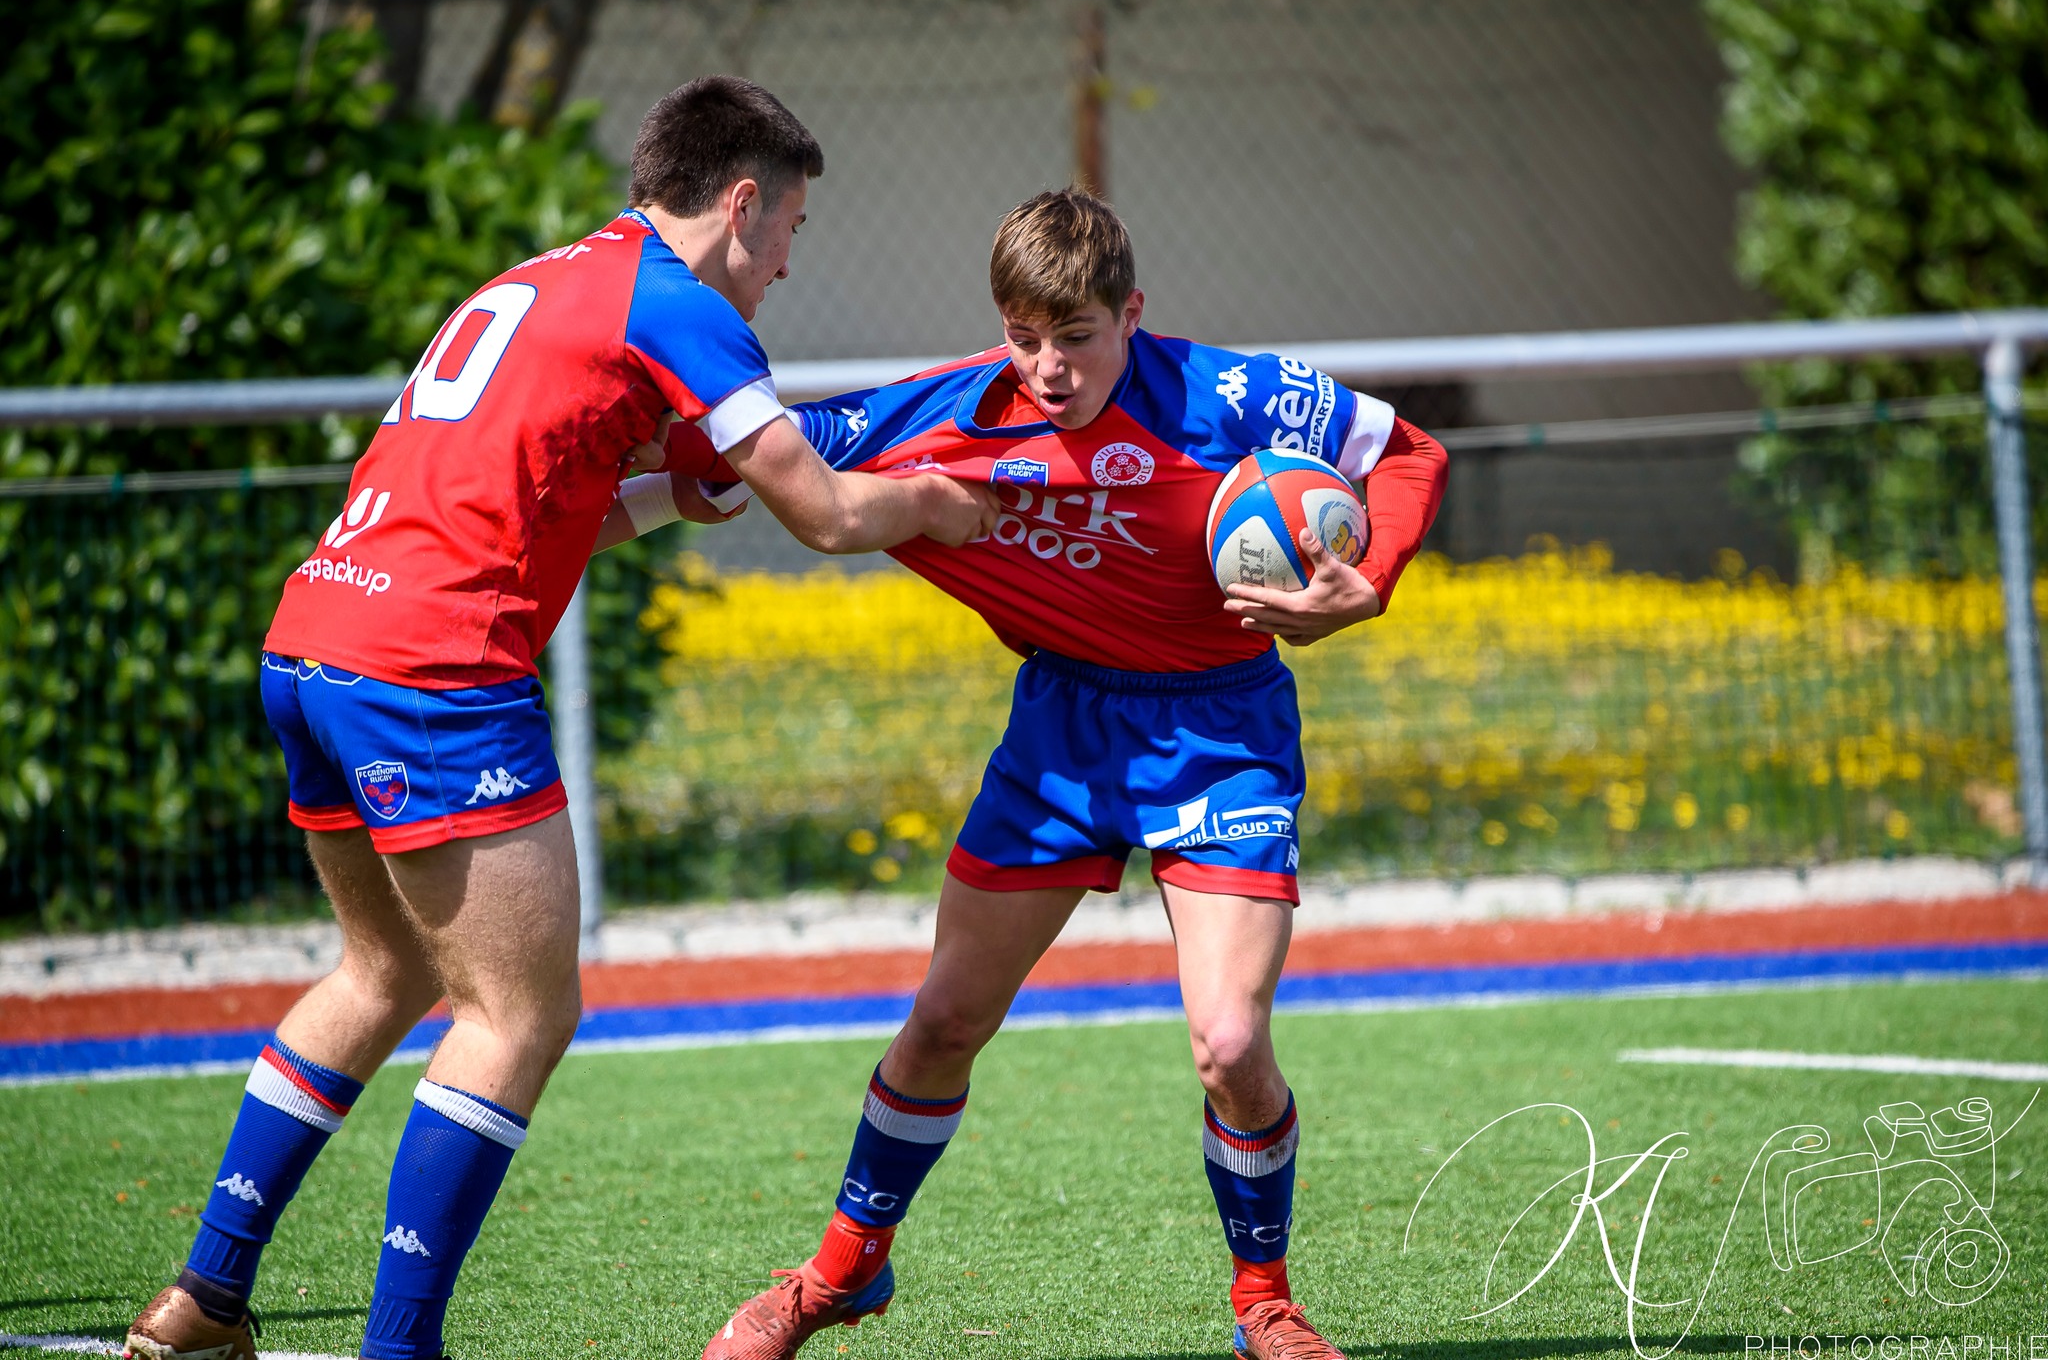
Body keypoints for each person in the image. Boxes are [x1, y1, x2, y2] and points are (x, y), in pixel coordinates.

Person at [122, 77, 996, 1360]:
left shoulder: (541, 278)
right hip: (432, 673)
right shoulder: (683, 305)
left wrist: (667, 499)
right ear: (739, 203)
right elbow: (821, 513)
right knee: (518, 1015)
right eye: (793, 228)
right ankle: (398, 1346)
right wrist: (934, 501)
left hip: (316, 639)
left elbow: (541, 496)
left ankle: (201, 1299)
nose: (789, 265)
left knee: (382, 972)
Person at [696, 189, 1447, 1360]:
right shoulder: (958, 406)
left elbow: (1403, 451)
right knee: (943, 1020)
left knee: (1231, 1046)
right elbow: (765, 454)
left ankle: (1264, 1304)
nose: (1047, 367)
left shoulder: (1228, 394)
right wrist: (616, 476)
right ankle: (839, 1274)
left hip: (1223, 727)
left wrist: (1371, 575)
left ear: (1130, 314)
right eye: (1022, 335)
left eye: (1076, 336)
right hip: (1063, 729)